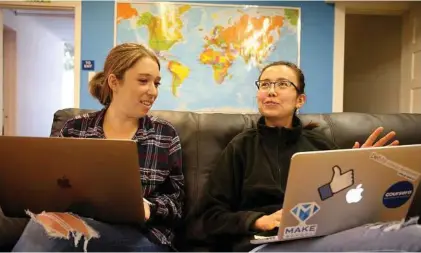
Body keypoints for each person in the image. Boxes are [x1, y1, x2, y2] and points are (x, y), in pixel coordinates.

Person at [193, 61, 421, 252]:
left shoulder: (319, 144)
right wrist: (258, 220)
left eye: (282, 84)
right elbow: (211, 216)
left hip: (320, 236)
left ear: (300, 100)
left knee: (411, 232)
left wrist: (361, 170)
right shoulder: (241, 147)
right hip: (264, 244)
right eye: (265, 84)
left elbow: (327, 199)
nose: (271, 91)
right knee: (412, 239)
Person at [12, 43, 184, 252]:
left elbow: (177, 203)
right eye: (143, 81)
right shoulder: (75, 129)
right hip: (83, 227)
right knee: (46, 224)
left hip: (143, 238)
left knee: (48, 229)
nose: (153, 91)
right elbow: (51, 187)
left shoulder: (165, 134)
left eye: (156, 83)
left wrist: (150, 208)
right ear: (114, 82)